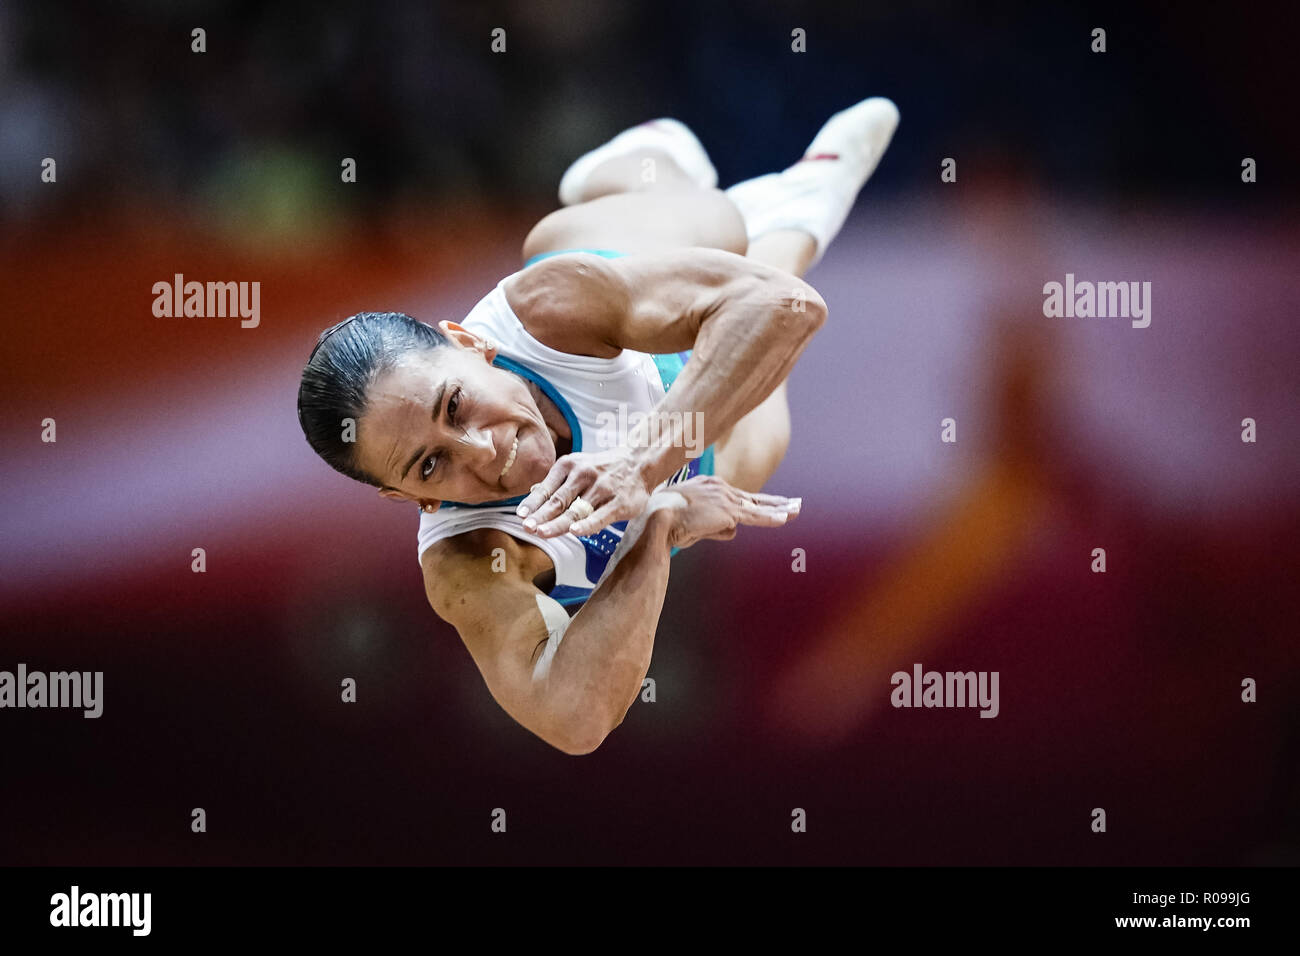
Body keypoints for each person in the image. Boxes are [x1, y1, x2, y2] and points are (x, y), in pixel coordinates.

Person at [297, 97, 900, 754]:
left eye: (456, 407)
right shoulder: (466, 561)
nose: (484, 450)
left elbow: (784, 309)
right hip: (702, 440)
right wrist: (656, 521)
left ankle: (639, 160)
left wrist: (638, 465)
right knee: (757, 444)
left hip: (626, 264)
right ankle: (801, 204)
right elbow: (574, 721)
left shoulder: (547, 309)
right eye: (431, 464)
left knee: (720, 226)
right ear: (411, 499)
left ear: (469, 344)